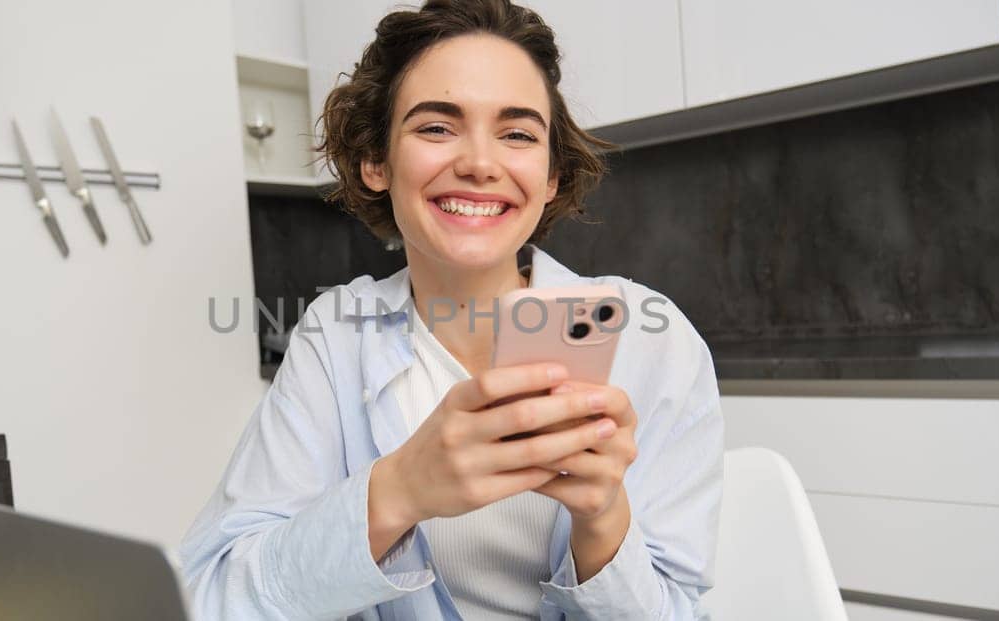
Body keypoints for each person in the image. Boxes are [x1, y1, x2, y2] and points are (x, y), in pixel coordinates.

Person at [179, 1, 723, 618]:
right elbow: (212, 599)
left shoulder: (650, 339)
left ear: (549, 176)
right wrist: (399, 490)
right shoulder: (337, 336)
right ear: (376, 162)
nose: (480, 164)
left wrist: (602, 521)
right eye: (437, 127)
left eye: (517, 133)